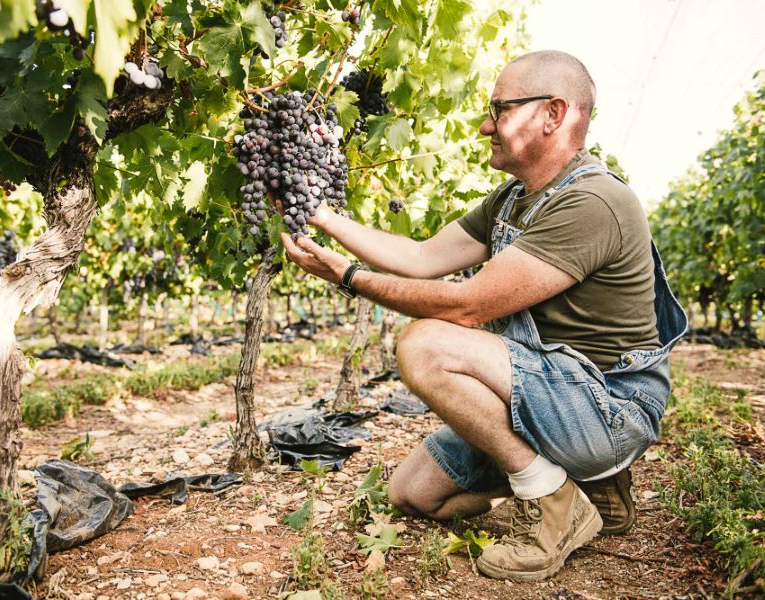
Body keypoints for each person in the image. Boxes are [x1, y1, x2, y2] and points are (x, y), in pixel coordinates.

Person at [279, 50, 688, 582]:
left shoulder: (595, 202)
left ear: (553, 114)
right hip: (550, 396)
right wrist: (321, 216)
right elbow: (422, 257)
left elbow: (468, 304)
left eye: (500, 108)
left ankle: (554, 499)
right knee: (414, 495)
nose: (483, 125)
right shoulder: (513, 199)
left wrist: (348, 278)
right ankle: (589, 491)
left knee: (425, 344)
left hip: (607, 411)